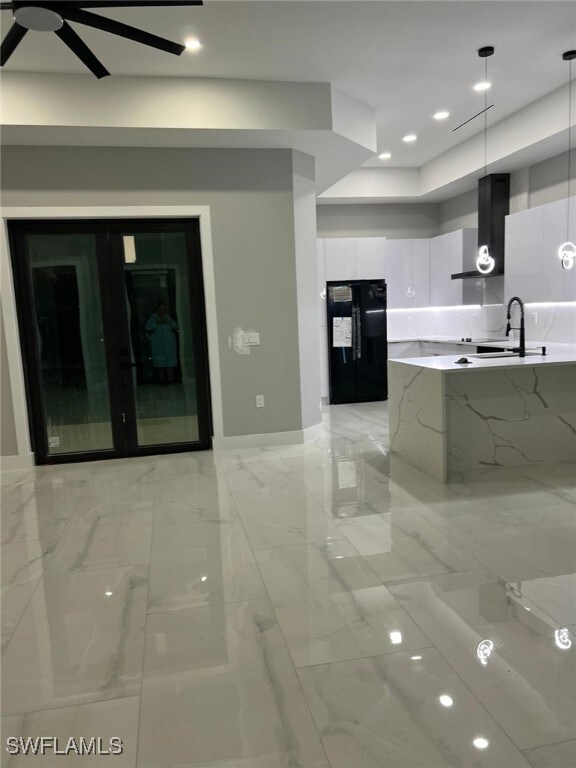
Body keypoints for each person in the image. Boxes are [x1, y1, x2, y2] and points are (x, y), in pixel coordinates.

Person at [145, 300, 179, 383]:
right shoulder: (153, 317)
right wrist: (156, 322)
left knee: (169, 363)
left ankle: (170, 380)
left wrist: (169, 321)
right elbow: (147, 327)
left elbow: (176, 327)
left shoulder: (168, 317)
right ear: (157, 309)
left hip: (169, 344)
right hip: (158, 345)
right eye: (160, 309)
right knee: (160, 364)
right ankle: (162, 380)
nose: (162, 311)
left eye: (163, 309)